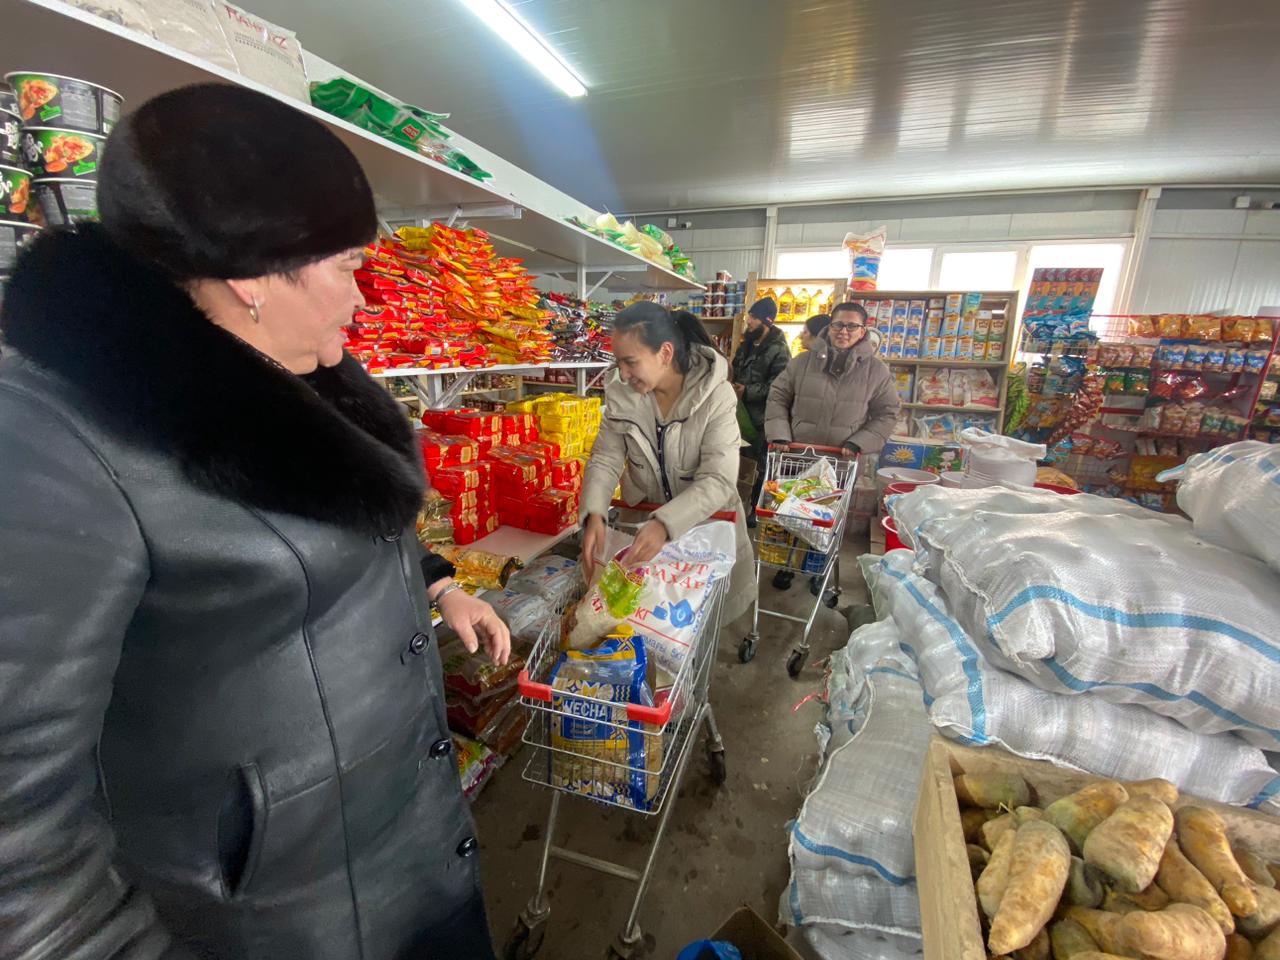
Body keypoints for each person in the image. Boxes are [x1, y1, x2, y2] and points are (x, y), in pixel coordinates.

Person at [0, 85, 509, 960]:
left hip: (414, 858)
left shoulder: (301, 373)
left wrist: (434, 583)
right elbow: (19, 840)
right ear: (252, 274)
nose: (363, 297)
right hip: (283, 925)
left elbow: (343, 523)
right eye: (347, 265)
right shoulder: (56, 441)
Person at [580, 303, 753, 623]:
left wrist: (665, 524)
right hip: (642, 525)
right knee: (644, 618)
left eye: (631, 362)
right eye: (619, 363)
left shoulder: (716, 395)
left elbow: (718, 478)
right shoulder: (622, 393)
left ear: (665, 353)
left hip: (705, 527)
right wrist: (594, 513)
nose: (623, 374)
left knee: (693, 623)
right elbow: (606, 457)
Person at [764, 300, 900, 590]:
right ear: (829, 326)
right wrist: (779, 434)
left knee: (826, 520)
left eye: (852, 326)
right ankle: (786, 566)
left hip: (841, 461)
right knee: (789, 514)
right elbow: (777, 396)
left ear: (863, 331)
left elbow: (887, 413)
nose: (843, 331)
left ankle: (818, 570)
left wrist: (858, 441)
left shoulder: (876, 371)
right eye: (838, 324)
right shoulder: (801, 363)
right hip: (797, 456)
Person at [731, 297, 791, 527]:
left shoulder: (779, 350)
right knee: (739, 464)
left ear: (767, 321)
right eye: (750, 316)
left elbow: (778, 387)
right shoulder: (746, 344)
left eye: (754, 317)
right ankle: (736, 506)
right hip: (739, 415)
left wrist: (747, 391)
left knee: (760, 467)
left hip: (761, 420)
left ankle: (755, 511)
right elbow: (736, 369)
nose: (749, 321)